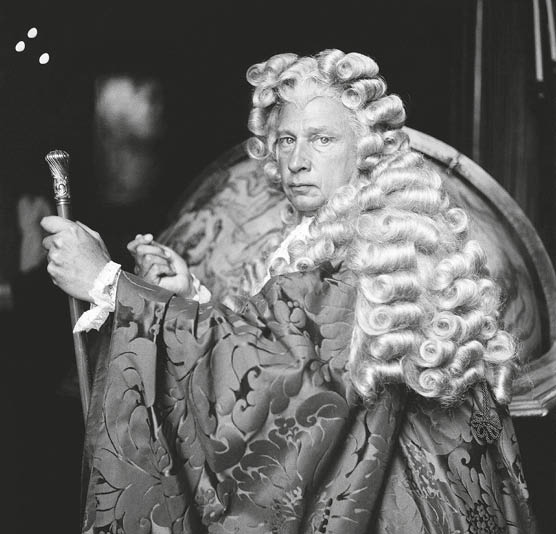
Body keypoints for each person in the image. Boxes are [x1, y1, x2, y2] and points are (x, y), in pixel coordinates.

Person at [41, 49, 537, 533]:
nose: (298, 160)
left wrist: (108, 284)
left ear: (363, 148)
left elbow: (287, 378)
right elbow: (290, 350)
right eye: (285, 140)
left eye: (321, 139)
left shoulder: (376, 247)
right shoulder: (341, 230)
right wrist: (192, 297)